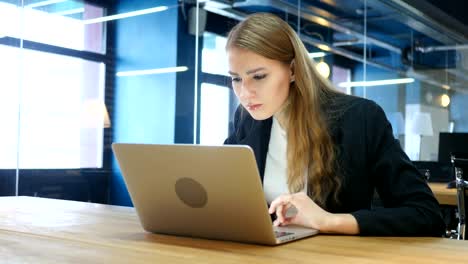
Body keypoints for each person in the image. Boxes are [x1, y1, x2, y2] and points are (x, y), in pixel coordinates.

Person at [223, 13, 445, 236]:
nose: (244, 93)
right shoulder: (246, 122)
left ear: (292, 70)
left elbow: (426, 214)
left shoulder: (361, 118)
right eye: (236, 78)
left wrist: (328, 221)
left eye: (259, 76)